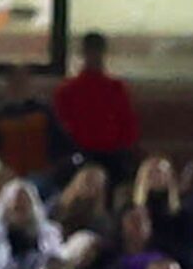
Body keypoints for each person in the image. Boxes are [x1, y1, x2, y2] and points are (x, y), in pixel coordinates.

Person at [54, 33, 141, 173]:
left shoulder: (116, 88)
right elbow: (61, 129)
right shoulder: (68, 90)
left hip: (110, 155)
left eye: (96, 50)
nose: (94, 55)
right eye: (91, 51)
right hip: (82, 155)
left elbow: (128, 127)